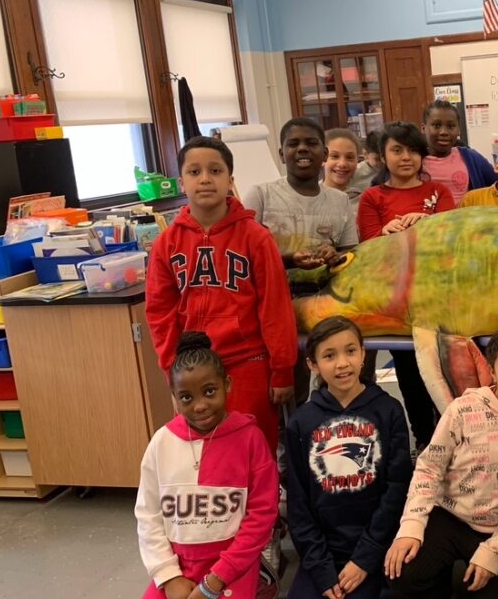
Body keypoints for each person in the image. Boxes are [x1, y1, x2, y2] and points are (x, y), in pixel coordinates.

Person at [385, 325, 498, 599]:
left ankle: (488, 576)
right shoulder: (463, 409)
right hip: (448, 516)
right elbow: (429, 467)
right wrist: (412, 526)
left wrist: (494, 551)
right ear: (493, 370)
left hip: (497, 528)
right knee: (401, 570)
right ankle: (437, 594)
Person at [146, 136, 298, 455]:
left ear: (230, 180)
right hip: (192, 368)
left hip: (248, 363)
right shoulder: (166, 244)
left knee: (254, 450)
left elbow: (275, 308)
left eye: (215, 171)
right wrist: (172, 370)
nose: (205, 179)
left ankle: (261, 507)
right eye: (194, 171)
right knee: (202, 456)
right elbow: (160, 313)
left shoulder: (256, 238)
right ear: (181, 182)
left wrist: (281, 370)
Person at [130, 332, 279, 599]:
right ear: (174, 398)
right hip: (179, 567)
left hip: (233, 568)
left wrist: (213, 583)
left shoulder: (250, 439)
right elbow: (148, 515)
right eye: (186, 397)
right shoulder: (161, 443)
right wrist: (168, 576)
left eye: (209, 391)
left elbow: (262, 517)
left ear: (227, 385)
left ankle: (257, 579)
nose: (199, 406)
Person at [280, 316, 411, 599]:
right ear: (312, 364)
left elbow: (396, 490)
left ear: (364, 354)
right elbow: (298, 502)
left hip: (369, 547)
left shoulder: (389, 410)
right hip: (321, 551)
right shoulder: (300, 423)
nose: (342, 363)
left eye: (350, 351)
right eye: (329, 355)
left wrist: (365, 559)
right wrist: (319, 566)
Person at [357, 122, 455, 450]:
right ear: (383, 156)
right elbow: (367, 250)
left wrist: (427, 224)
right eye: (397, 150)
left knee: (447, 378)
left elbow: (451, 240)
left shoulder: (438, 193)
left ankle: (455, 446)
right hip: (397, 305)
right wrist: (387, 233)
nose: (406, 157)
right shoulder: (372, 197)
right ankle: (425, 446)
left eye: (413, 150)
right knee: (411, 379)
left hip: (439, 298)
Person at [243, 118, 358, 290]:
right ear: (282, 155)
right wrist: (289, 259)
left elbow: (351, 255)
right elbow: (243, 255)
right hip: (272, 296)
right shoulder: (260, 195)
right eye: (293, 144)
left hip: (326, 298)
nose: (303, 149)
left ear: (325, 154)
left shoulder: (341, 200)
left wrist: (334, 256)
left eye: (311, 143)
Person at [421, 99, 497, 205]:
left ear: (459, 130)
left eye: (451, 126)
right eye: (436, 126)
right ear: (424, 128)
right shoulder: (415, 162)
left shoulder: (471, 158)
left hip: (467, 220)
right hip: (429, 220)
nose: (444, 132)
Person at [323, 128, 367, 217]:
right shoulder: (309, 199)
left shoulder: (365, 200)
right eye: (335, 156)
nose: (342, 164)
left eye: (349, 157)